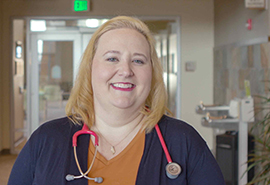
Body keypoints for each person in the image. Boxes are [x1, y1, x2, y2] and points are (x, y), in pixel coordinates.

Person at [8, 16, 225, 185]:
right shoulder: (46, 140)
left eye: (138, 61)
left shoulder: (183, 142)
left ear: (152, 73)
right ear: (90, 68)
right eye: (112, 58)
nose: (125, 71)